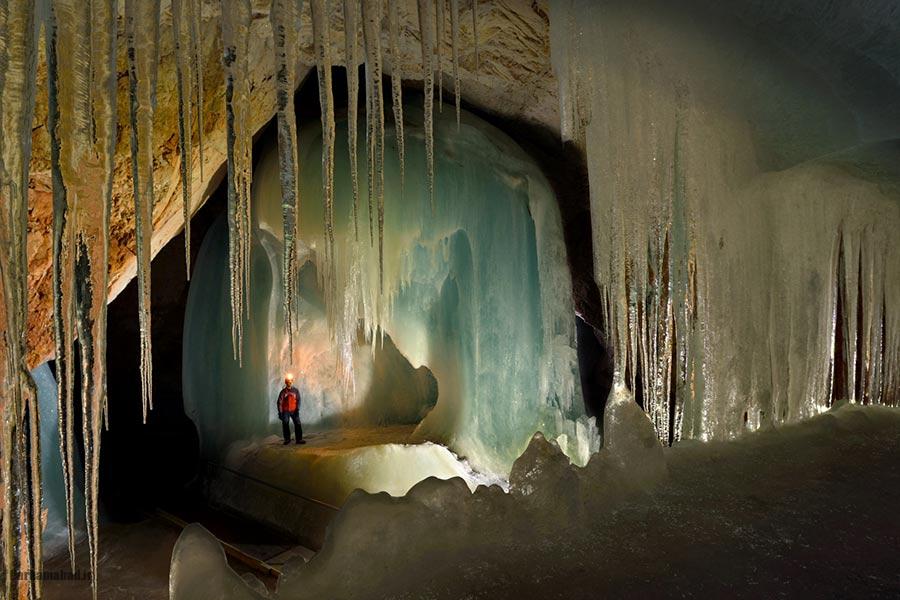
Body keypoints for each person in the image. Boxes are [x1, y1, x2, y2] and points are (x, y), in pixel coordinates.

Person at [277, 373, 305, 445]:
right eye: (288, 381)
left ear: (292, 381)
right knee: (285, 424)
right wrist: (280, 412)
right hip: (285, 411)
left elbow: (298, 400)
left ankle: (299, 439)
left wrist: (297, 409)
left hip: (294, 410)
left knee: (297, 424)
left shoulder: (295, 391)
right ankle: (287, 439)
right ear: (286, 382)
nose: (289, 382)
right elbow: (279, 402)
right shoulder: (283, 392)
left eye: (291, 381)